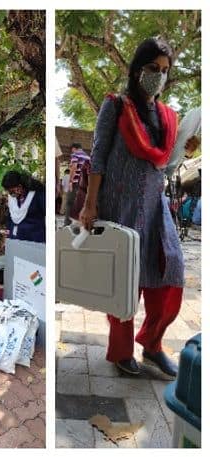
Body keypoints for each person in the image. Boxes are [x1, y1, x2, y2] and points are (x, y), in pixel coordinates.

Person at [79, 38, 199, 378]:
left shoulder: (166, 116)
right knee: (124, 282)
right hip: (120, 205)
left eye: (164, 71)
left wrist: (185, 152)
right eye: (152, 69)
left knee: (170, 272)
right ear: (136, 70)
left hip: (155, 205)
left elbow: (165, 164)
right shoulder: (116, 106)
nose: (158, 76)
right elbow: (98, 155)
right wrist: (90, 205)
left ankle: (152, 343)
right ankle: (121, 351)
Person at [1, 171, 45, 243]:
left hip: (34, 239)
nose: (10, 194)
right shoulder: (12, 198)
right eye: (9, 192)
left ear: (20, 186)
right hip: (15, 238)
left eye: (12, 191)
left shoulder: (38, 195)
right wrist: (8, 234)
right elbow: (10, 218)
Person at [63, 143, 90, 226]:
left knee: (69, 202)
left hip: (75, 182)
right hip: (84, 183)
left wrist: (70, 181)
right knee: (80, 202)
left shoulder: (75, 154)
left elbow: (74, 167)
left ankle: (67, 222)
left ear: (74, 148)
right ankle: (80, 222)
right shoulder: (88, 157)